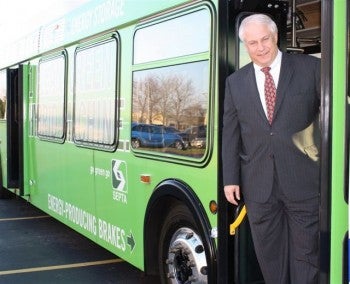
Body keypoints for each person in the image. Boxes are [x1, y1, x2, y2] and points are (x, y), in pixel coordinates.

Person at [222, 13, 320, 283]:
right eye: (252, 43)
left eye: (265, 39)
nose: (260, 47)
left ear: (275, 37)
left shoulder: (310, 68)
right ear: (245, 46)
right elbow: (230, 133)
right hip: (258, 185)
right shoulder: (235, 82)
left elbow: (331, 119)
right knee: (270, 256)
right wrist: (230, 179)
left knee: (306, 255)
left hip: (304, 181)